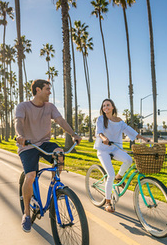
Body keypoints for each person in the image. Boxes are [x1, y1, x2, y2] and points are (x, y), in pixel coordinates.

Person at [15, 79, 81, 232]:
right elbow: (18, 122)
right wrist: (21, 136)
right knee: (30, 175)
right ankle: (26, 214)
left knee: (59, 154)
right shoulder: (23, 106)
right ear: (38, 90)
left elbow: (60, 121)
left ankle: (56, 186)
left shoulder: (50, 107)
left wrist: (73, 134)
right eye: (47, 89)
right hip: (28, 145)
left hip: (44, 143)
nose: (49, 92)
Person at [94, 98, 150, 213]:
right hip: (103, 149)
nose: (105, 107)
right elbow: (99, 132)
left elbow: (131, 131)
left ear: (113, 107)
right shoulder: (101, 119)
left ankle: (119, 177)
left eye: (108, 105)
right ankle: (108, 202)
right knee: (110, 174)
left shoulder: (119, 121)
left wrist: (144, 138)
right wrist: (104, 138)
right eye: (103, 106)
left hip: (115, 148)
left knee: (128, 160)